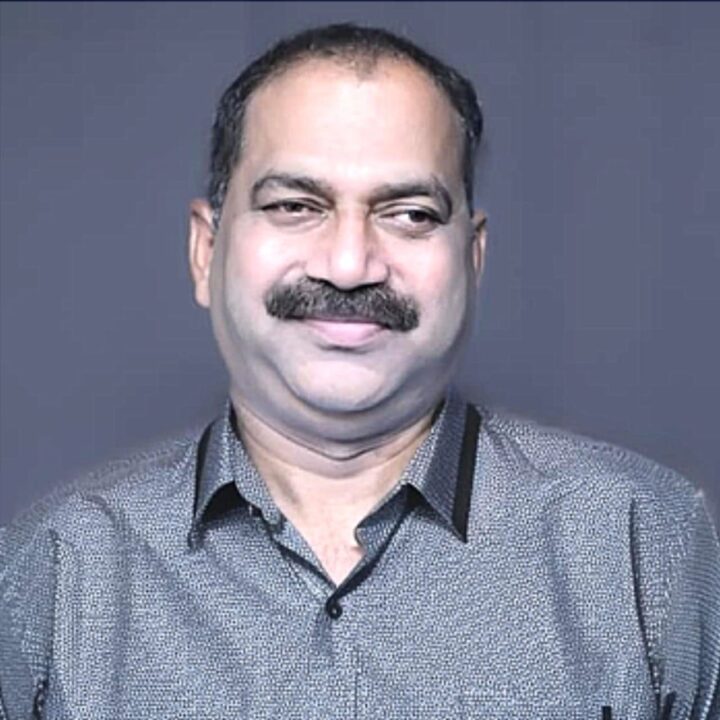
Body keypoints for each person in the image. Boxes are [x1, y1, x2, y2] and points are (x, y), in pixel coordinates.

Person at [1, 22, 718, 719]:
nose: (349, 265)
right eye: (294, 205)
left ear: (473, 259)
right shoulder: (54, 574)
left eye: (409, 214)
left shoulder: (647, 545)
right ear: (205, 252)